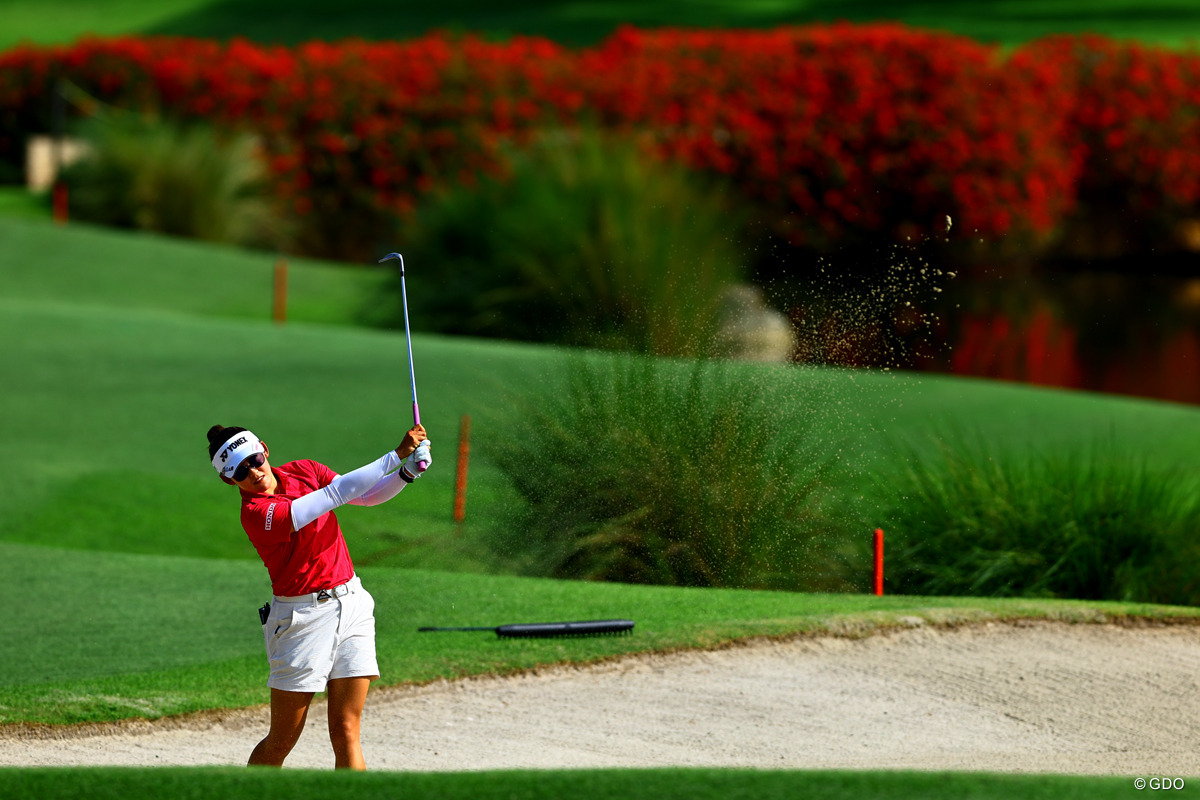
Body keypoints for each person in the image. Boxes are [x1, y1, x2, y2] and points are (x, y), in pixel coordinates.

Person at [206, 423, 431, 770]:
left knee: (346, 729)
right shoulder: (257, 514)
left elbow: (365, 495)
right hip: (302, 621)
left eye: (254, 460)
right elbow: (336, 494)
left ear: (264, 449)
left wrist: (406, 473)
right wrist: (397, 454)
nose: (253, 473)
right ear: (228, 479)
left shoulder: (305, 470)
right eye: (240, 471)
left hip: (352, 604)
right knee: (282, 739)